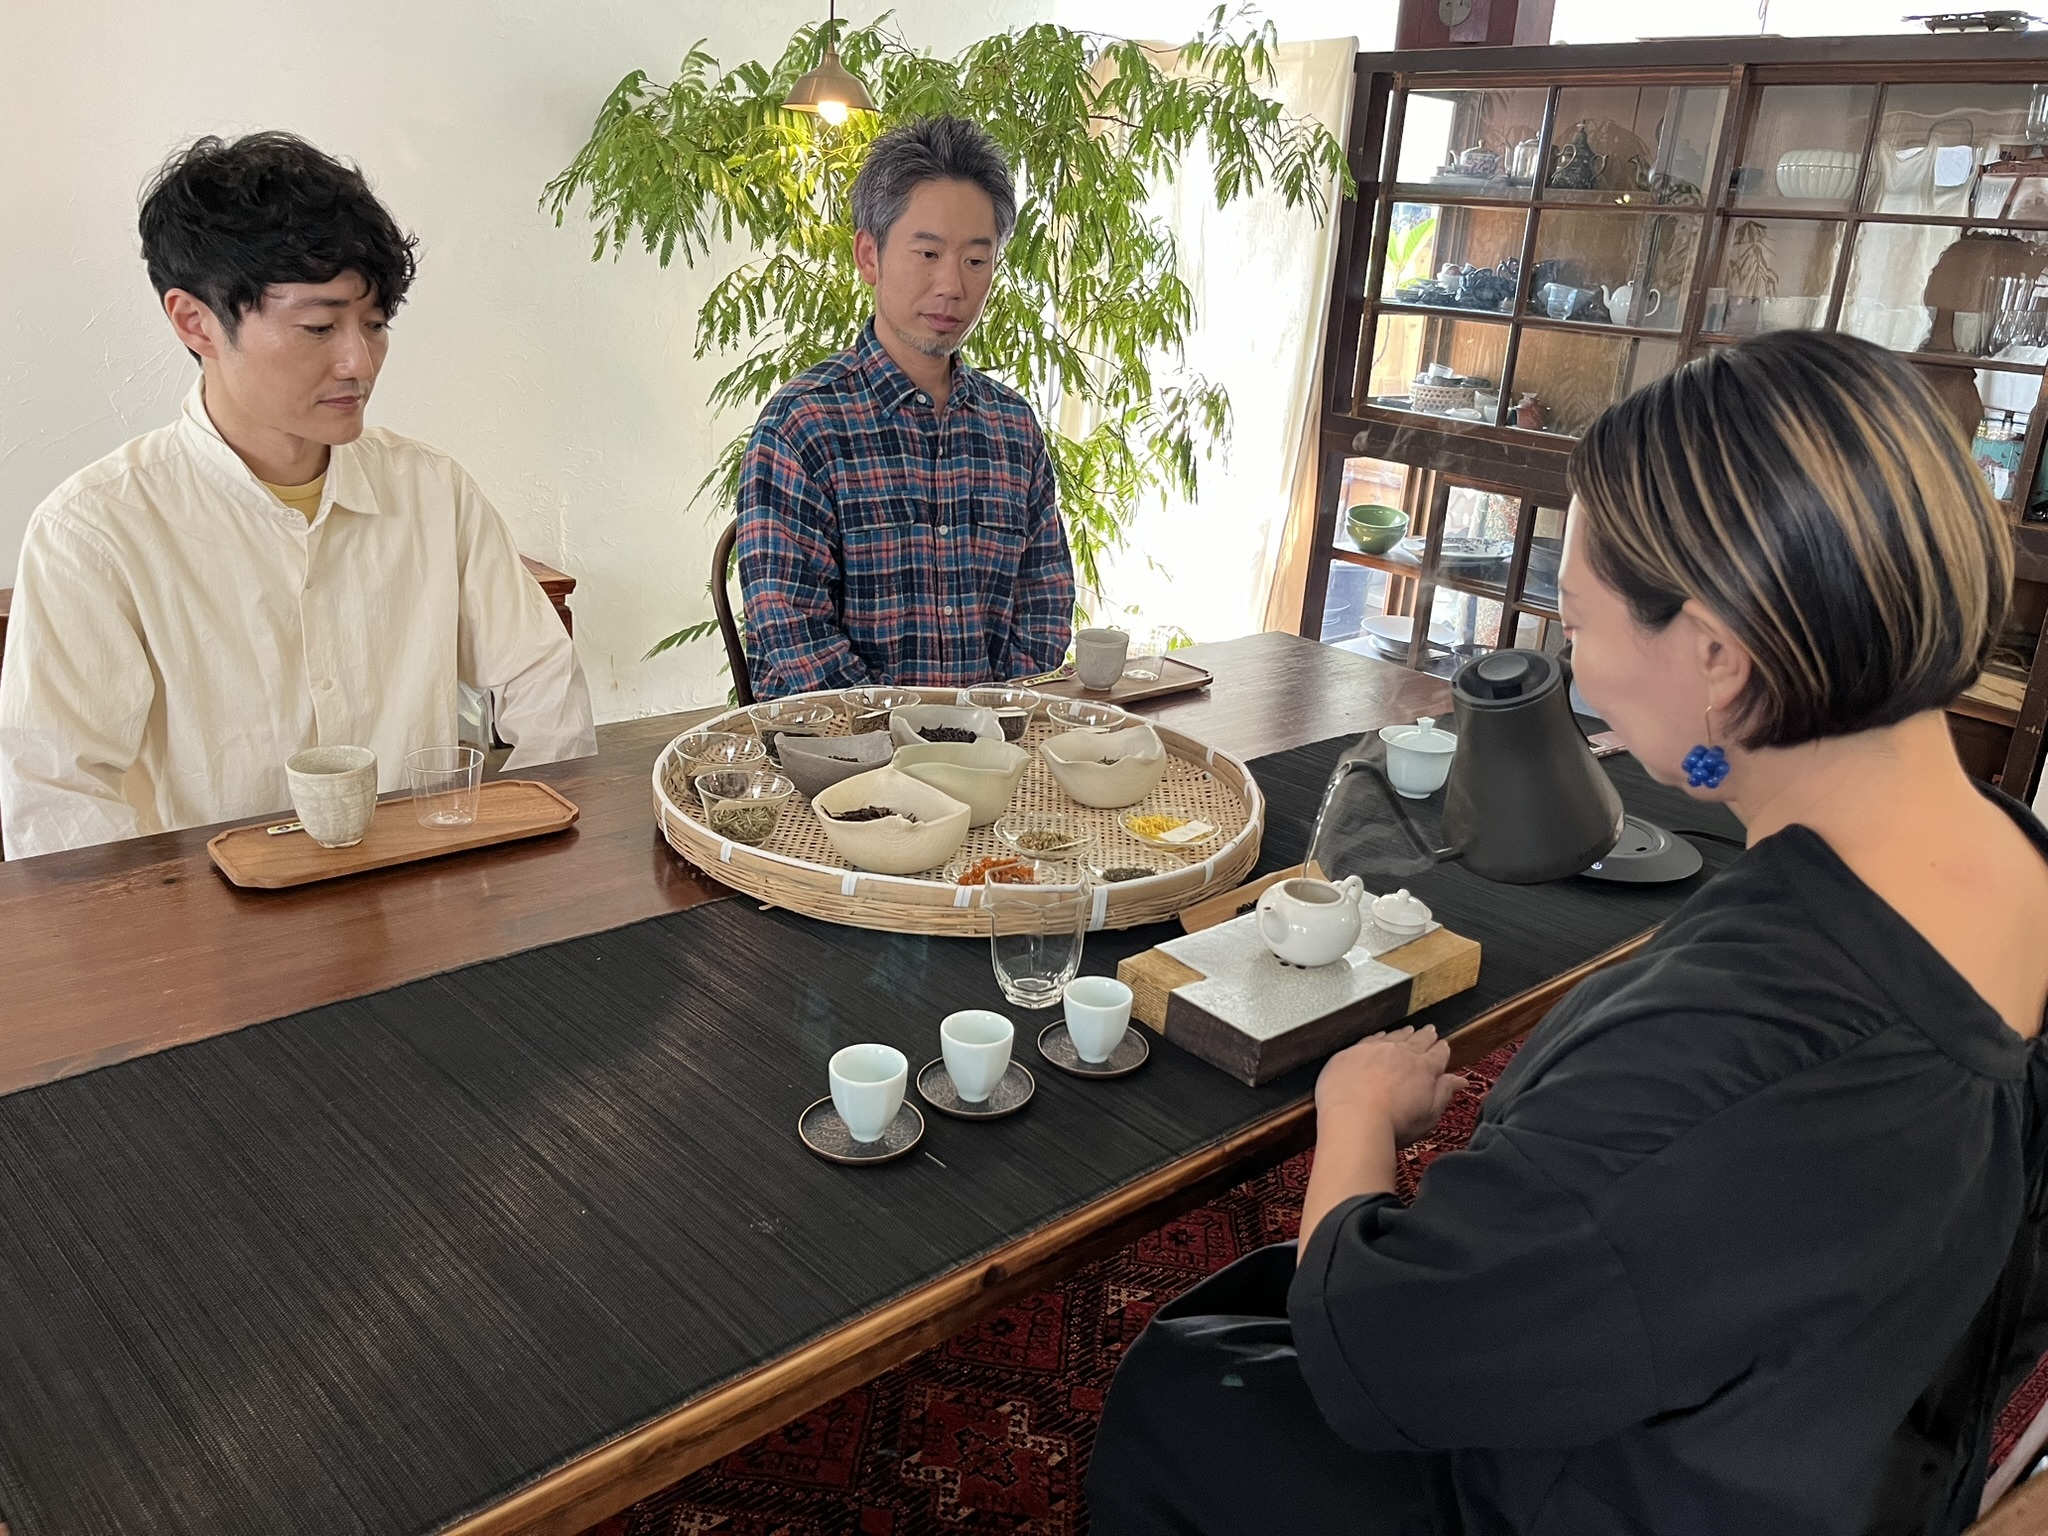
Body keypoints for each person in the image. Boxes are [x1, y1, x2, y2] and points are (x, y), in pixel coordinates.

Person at [1086, 332, 2048, 1535]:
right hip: (1850, 1445)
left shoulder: (1721, 1058)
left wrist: (1353, 1116)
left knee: (1189, 1392)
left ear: (1713, 652)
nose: (1567, 658)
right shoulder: (2015, 861)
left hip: (1621, 1496)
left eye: (1574, 618)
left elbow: (1381, 1355)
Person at [0, 133, 595, 859]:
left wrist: (513, 863)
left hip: (423, 903)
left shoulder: (430, 490)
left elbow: (543, 685)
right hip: (212, 939)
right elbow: (58, 802)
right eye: (319, 327)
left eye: (374, 325)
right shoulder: (95, 531)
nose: (359, 362)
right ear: (195, 321)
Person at [735, 115, 1075, 699]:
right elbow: (793, 632)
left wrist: (994, 721)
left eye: (976, 260)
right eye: (927, 253)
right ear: (870, 255)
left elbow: (1043, 601)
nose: (952, 285)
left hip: (991, 753)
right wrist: (917, 741)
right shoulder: (802, 426)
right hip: (845, 763)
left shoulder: (1013, 428)